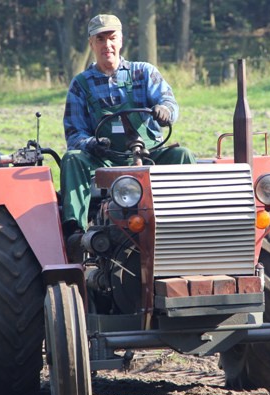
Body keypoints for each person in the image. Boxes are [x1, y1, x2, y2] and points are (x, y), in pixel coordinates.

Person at [60, 14, 196, 242]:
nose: (107, 45)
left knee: (184, 155)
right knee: (73, 158)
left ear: (121, 40)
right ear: (91, 44)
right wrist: (92, 144)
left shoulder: (143, 72)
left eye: (112, 38)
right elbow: (74, 134)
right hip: (106, 159)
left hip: (150, 154)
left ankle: (189, 225)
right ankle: (75, 233)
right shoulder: (81, 85)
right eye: (100, 39)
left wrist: (165, 111)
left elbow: (169, 101)